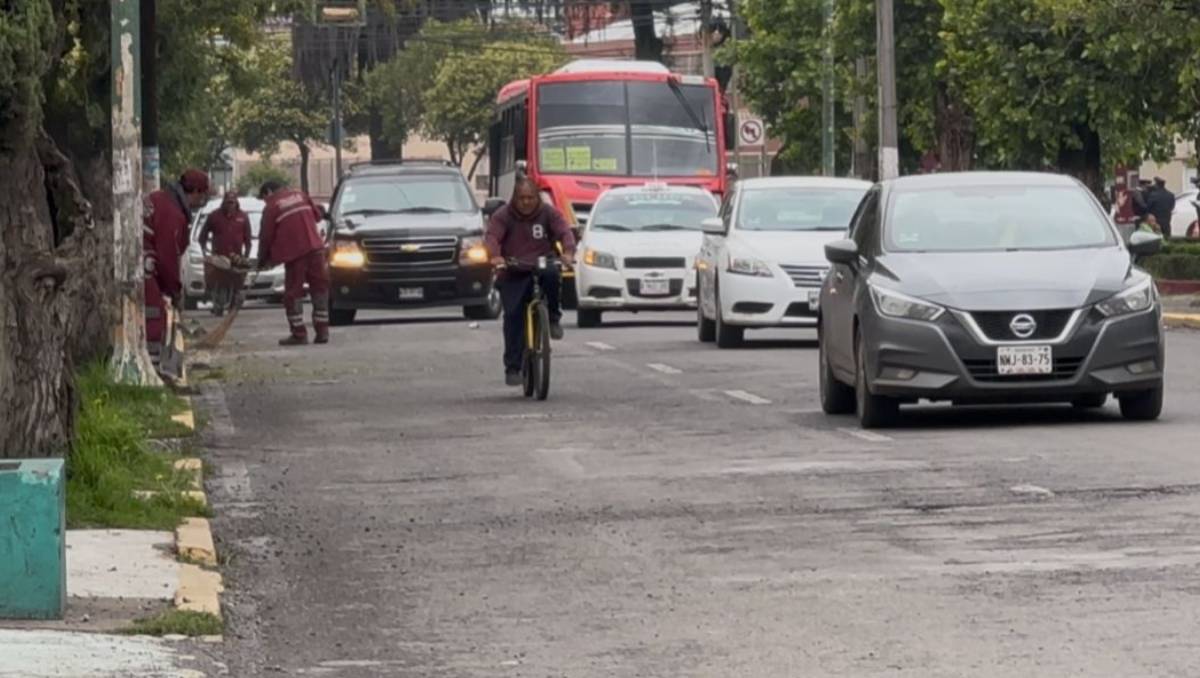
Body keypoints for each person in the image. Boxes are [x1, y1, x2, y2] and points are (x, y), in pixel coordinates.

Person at [484, 177, 576, 386]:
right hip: (513, 269)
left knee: (553, 274)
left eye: (530, 198)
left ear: (537, 197)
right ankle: (513, 367)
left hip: (541, 264)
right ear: (515, 198)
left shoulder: (548, 213)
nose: (526, 202)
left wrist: (568, 252)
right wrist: (496, 256)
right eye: (522, 198)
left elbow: (564, 232)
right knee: (513, 316)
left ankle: (552, 318)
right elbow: (492, 238)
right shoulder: (503, 216)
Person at [144, 169, 210, 355]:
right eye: (203, 194)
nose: (202, 200)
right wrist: (174, 291)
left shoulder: (160, 198)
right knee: (154, 312)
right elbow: (168, 257)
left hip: (140, 256)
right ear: (195, 191)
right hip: (144, 262)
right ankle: (154, 363)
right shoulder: (172, 214)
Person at [257, 180, 330, 345]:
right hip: (316, 249)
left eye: (263, 198)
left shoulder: (272, 206)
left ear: (268, 192)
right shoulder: (301, 195)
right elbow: (317, 216)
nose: (264, 201)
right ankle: (323, 331)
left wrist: (262, 259)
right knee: (320, 290)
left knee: (293, 294)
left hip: (295, 254)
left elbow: (266, 237)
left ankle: (299, 334)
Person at [197, 191, 253, 317]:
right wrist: (205, 250)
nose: (230, 205)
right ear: (224, 202)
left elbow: (248, 239)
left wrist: (246, 255)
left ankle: (234, 304)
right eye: (228, 202)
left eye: (232, 202)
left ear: (236, 202)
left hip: (236, 257)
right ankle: (215, 301)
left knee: (237, 282)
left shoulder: (243, 216)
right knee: (216, 279)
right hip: (219, 256)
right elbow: (203, 236)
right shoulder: (214, 216)